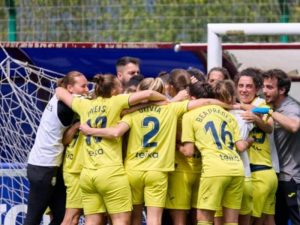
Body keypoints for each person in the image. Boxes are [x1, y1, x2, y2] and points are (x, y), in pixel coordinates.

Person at [56, 74, 167, 225]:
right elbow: (148, 94)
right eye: (120, 86)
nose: (122, 89)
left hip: (88, 174)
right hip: (110, 172)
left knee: (92, 222)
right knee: (121, 221)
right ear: (114, 90)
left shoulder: (84, 105)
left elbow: (59, 92)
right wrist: (166, 100)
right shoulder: (116, 101)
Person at [180, 80, 252, 225]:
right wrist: (251, 140)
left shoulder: (189, 116)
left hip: (214, 168)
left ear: (192, 98)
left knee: (204, 218)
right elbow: (240, 145)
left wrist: (174, 145)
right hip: (237, 169)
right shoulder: (228, 115)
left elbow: (188, 152)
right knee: (231, 220)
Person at [24, 71, 89, 225]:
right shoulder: (67, 105)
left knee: (61, 216)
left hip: (50, 166)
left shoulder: (59, 97)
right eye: (83, 86)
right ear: (70, 88)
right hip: (44, 167)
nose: (87, 89)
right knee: (33, 217)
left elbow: (60, 90)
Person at [236, 68, 277, 225]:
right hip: (260, 171)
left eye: (248, 86)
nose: (244, 90)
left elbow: (270, 127)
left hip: (258, 172)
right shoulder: (236, 104)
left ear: (257, 89)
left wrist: (255, 118)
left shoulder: (259, 103)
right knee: (266, 220)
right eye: (241, 85)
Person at [262, 69, 300, 225]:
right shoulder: (268, 105)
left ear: (282, 90)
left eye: (269, 87)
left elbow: (293, 125)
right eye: (263, 86)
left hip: (291, 177)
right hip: (275, 177)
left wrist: (269, 112)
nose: (264, 91)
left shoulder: (291, 107)